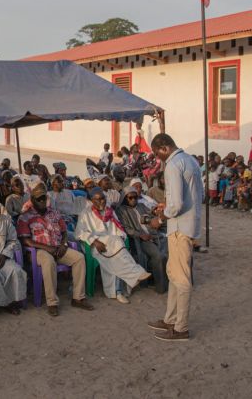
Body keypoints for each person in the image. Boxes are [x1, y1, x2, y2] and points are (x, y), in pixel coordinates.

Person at [147, 133, 202, 341]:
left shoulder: (172, 165)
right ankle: (170, 319)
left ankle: (181, 328)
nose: (156, 158)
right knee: (173, 273)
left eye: (156, 153)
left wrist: (160, 218)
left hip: (179, 228)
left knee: (181, 279)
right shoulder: (190, 160)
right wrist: (167, 207)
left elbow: (177, 205)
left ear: (163, 148)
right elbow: (191, 197)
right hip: (187, 225)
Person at [17, 183, 93, 316]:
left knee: (79, 258)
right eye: (39, 199)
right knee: (48, 261)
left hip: (57, 248)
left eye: (44, 198)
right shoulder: (25, 216)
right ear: (33, 200)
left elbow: (64, 231)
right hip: (38, 250)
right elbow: (26, 240)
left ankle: (78, 297)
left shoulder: (54, 212)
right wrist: (48, 248)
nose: (42, 201)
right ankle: (52, 302)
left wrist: (63, 245)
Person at [75, 188, 150, 303]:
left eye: (103, 199)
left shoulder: (109, 211)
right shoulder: (86, 213)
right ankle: (133, 276)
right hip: (95, 245)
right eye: (98, 200)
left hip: (113, 245)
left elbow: (118, 229)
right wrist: (95, 241)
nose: (102, 202)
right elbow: (80, 233)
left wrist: (120, 237)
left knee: (116, 248)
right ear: (91, 201)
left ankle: (117, 291)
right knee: (116, 249)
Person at [115, 187, 167, 293]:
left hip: (153, 233)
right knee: (158, 256)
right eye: (131, 197)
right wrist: (140, 235)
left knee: (169, 251)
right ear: (125, 198)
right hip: (141, 239)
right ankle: (161, 287)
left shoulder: (141, 205)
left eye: (136, 197)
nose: (134, 199)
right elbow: (125, 228)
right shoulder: (122, 210)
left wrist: (155, 211)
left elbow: (151, 214)